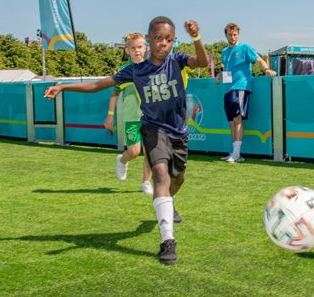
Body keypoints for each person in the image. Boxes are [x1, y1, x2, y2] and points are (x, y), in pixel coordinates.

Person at [45, 16, 208, 265]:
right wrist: (63, 87)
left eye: (168, 39)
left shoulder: (177, 60)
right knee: (161, 176)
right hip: (153, 129)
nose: (163, 43)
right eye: (158, 38)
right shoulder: (135, 70)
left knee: (178, 178)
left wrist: (197, 37)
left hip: (179, 132)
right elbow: (100, 84)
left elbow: (204, 62)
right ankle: (168, 241)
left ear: (173, 41)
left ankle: (168, 202)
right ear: (149, 39)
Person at [214, 23, 276, 163]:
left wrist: (266, 69)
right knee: (231, 122)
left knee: (237, 119)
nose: (233, 37)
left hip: (241, 87)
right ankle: (235, 153)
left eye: (235, 34)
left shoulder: (245, 48)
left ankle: (236, 153)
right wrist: (219, 76)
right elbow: (228, 71)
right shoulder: (224, 52)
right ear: (226, 35)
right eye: (230, 34)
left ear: (238, 34)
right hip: (227, 90)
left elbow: (258, 59)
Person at [105, 32, 153, 196]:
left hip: (150, 118)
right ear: (127, 50)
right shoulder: (124, 71)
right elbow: (114, 94)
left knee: (150, 152)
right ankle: (122, 160)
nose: (137, 50)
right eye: (133, 48)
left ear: (145, 48)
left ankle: (146, 182)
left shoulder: (152, 67)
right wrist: (110, 115)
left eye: (139, 47)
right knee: (134, 152)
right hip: (132, 118)